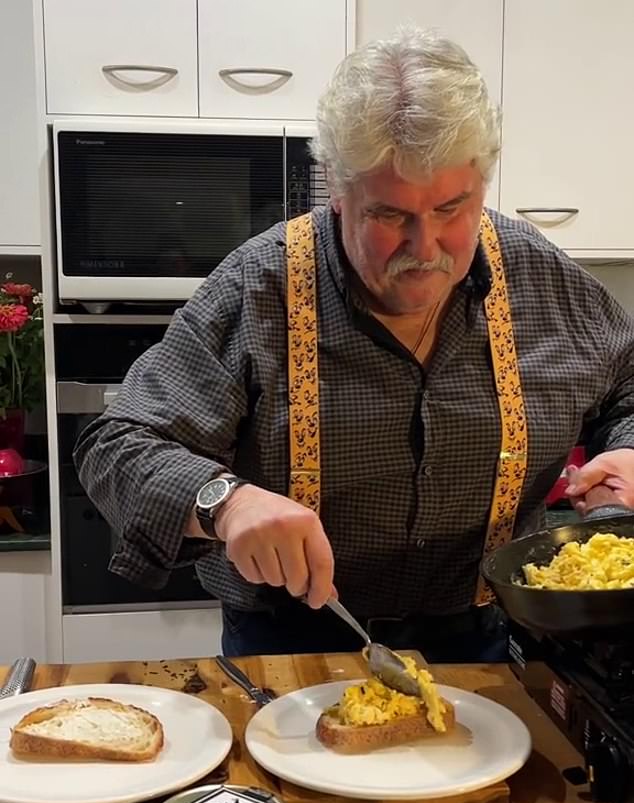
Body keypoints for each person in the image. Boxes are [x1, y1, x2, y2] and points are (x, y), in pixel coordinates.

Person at [74, 27, 634, 663]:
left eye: (453, 208)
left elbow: (629, 382)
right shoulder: (259, 287)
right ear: (336, 193)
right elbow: (116, 445)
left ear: (483, 182)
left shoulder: (540, 276)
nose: (426, 250)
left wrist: (630, 450)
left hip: (486, 641)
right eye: (390, 216)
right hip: (290, 649)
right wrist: (225, 502)